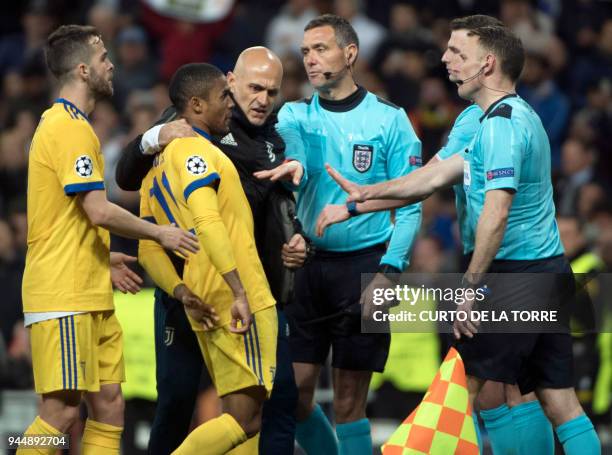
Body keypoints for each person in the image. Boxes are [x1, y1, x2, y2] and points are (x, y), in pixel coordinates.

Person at [324, 20, 601, 455]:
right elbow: (431, 176)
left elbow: (497, 211)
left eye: (457, 52)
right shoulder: (479, 119)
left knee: (461, 386)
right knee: (554, 398)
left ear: (487, 63)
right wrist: (361, 200)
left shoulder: (504, 125)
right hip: (546, 272)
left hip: (514, 276)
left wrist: (471, 289)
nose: (445, 60)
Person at [18, 25, 199, 455]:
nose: (111, 64)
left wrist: (104, 258)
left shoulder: (77, 126)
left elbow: (72, 215)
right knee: (60, 415)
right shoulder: (66, 127)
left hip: (89, 287)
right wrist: (159, 232)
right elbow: (97, 209)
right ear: (82, 70)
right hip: (62, 292)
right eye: (102, 58)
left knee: (110, 406)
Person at [115, 47, 305, 454]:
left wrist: (295, 233)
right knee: (216, 408)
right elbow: (206, 220)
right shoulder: (185, 138)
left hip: (199, 289)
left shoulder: (269, 140)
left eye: (273, 92)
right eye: (252, 88)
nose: (262, 99)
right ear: (229, 83)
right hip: (228, 290)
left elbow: (149, 237)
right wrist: (236, 291)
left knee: (261, 404)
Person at [254, 14, 422, 455]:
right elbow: (292, 147)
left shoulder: (390, 120)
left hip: (367, 268)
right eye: (305, 51)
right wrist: (294, 162)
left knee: (349, 403)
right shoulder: (293, 114)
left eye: (321, 49)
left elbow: (411, 203)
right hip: (306, 268)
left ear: (350, 54)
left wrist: (389, 272)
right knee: (297, 396)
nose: (310, 59)